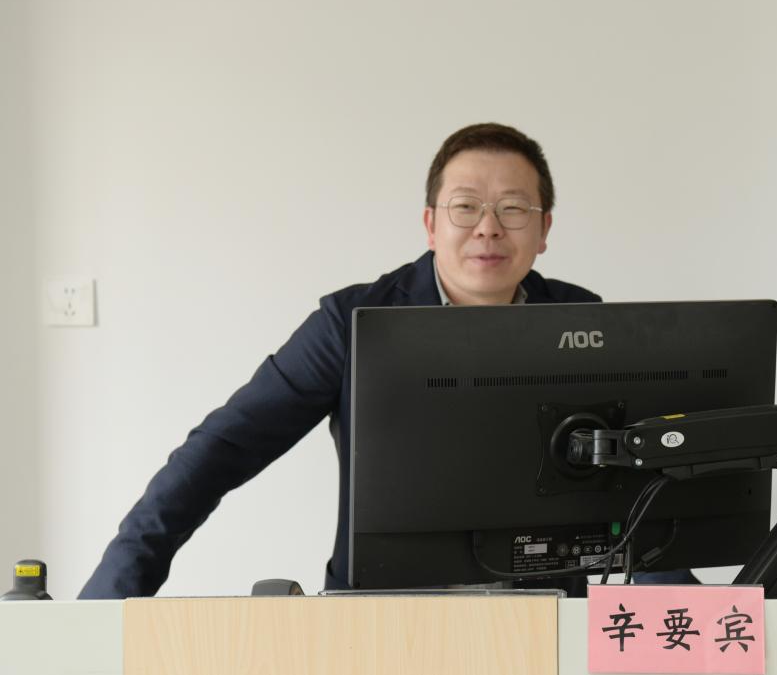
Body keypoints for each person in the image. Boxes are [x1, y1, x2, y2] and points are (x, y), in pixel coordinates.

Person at [79, 122, 603, 599]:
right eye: (465, 207)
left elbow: (635, 472)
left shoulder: (588, 321)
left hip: (548, 612)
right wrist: (112, 595)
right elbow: (222, 448)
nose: (488, 227)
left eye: (513, 209)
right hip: (383, 615)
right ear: (430, 224)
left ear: (544, 230)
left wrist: (654, 595)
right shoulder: (351, 322)